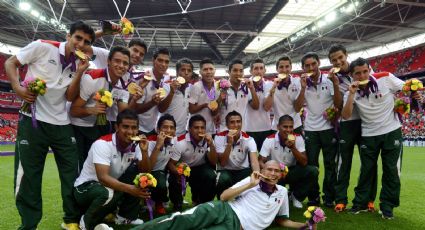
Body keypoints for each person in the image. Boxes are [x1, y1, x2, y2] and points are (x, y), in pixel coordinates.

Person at [5, 21, 95, 230]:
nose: (81, 44)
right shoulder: (43, 46)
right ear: (68, 36)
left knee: (72, 174)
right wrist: (18, 88)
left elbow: (70, 96)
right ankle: (28, 225)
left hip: (62, 124)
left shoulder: (79, 64)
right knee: (29, 176)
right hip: (32, 120)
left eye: (86, 42)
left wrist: (80, 72)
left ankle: (71, 220)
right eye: (78, 38)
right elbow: (10, 62)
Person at [342, 58, 422, 219]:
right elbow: (346, 115)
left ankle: (387, 206)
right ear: (352, 76)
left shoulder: (385, 77)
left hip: (391, 130)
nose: (362, 75)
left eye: (365, 71)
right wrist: (351, 94)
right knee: (366, 171)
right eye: (358, 73)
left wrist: (415, 93)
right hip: (368, 134)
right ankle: (361, 203)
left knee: (391, 170)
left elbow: (406, 87)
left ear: (369, 69)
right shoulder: (350, 91)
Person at [131, 160, 314, 230]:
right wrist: (250, 184)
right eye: (270, 170)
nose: (273, 174)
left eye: (277, 171)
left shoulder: (281, 193)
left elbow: (282, 220)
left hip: (235, 227)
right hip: (224, 210)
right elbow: (224, 196)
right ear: (263, 170)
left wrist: (304, 225)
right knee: (181, 220)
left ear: (281, 174)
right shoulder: (252, 180)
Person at [73, 109, 151, 230]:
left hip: (109, 188)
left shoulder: (136, 145)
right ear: (116, 127)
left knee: (141, 178)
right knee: (107, 192)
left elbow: (145, 171)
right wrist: (130, 189)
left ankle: (124, 216)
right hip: (85, 189)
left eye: (134, 127)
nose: (130, 132)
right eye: (125, 127)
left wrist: (145, 152)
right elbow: (103, 178)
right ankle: (85, 223)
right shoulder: (103, 144)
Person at [70, 46, 142, 171]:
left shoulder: (123, 85)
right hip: (78, 127)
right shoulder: (92, 78)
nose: (121, 65)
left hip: (98, 128)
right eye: (117, 61)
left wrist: (135, 99)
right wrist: (91, 110)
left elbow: (123, 113)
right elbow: (73, 110)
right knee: (78, 169)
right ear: (108, 61)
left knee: (95, 167)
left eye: (125, 63)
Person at [328, 44, 377, 213]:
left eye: (340, 58)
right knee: (343, 163)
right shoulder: (332, 78)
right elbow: (337, 105)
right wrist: (335, 84)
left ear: (346, 55)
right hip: (347, 124)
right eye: (334, 60)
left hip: (366, 122)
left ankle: (368, 199)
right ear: (331, 62)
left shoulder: (361, 70)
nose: (338, 62)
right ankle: (340, 199)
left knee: (369, 163)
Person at [296, 52, 342, 207]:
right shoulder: (301, 82)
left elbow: (338, 104)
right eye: (307, 65)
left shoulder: (329, 80)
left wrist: (335, 84)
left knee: (330, 165)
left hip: (328, 128)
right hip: (310, 129)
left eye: (313, 64)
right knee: (312, 166)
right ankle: (313, 197)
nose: (311, 68)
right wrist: (303, 88)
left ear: (319, 64)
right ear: (303, 68)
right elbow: (297, 107)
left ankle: (329, 197)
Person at [259, 115, 318, 209]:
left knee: (313, 171)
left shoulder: (298, 138)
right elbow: (261, 161)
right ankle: (274, 196)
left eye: (291, 127)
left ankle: (296, 197)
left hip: (291, 171)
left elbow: (304, 162)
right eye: (285, 127)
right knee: (278, 203)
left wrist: (293, 148)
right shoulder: (270, 139)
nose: (288, 130)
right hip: (275, 173)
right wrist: (271, 172)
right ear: (278, 127)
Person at [167, 115, 218, 210]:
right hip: (182, 168)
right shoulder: (179, 142)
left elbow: (214, 162)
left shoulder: (208, 140)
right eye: (196, 128)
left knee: (211, 175)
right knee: (173, 178)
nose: (200, 131)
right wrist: (177, 172)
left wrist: (211, 145)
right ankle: (177, 203)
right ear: (189, 129)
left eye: (202, 128)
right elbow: (171, 163)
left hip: (199, 167)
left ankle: (203, 203)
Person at [214, 110, 260, 198]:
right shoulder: (219, 137)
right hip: (225, 170)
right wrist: (229, 144)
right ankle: (222, 202)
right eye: (232, 122)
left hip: (242, 171)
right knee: (223, 179)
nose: (236, 125)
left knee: (251, 175)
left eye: (238, 122)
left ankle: (243, 202)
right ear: (227, 125)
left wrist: (256, 173)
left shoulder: (249, 139)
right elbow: (223, 163)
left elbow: (254, 161)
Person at [135, 48, 171, 135]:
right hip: (136, 128)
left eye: (166, 62)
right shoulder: (143, 79)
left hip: (152, 129)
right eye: (160, 60)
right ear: (153, 60)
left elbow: (161, 110)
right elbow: (134, 109)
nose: (163, 64)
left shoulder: (166, 84)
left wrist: (172, 92)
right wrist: (152, 103)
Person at [215, 59, 258, 132]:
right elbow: (214, 111)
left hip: (241, 131)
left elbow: (255, 106)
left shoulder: (246, 87)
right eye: (235, 70)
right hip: (224, 130)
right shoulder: (219, 86)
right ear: (229, 72)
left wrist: (252, 89)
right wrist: (220, 99)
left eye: (241, 71)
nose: (238, 73)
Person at [264, 56, 303, 134]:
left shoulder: (297, 82)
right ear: (277, 69)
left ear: (291, 67)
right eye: (281, 67)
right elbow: (266, 107)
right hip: (277, 126)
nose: (284, 70)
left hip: (295, 125)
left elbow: (298, 108)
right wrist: (274, 87)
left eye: (287, 66)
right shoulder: (270, 84)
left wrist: (303, 88)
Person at [146, 114, 177, 215]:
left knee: (177, 176)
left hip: (163, 171)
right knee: (160, 179)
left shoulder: (174, 142)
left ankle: (176, 202)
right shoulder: (149, 142)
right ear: (158, 129)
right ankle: (158, 202)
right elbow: (148, 168)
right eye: (165, 127)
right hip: (148, 172)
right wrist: (158, 146)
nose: (168, 130)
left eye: (171, 128)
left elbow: (169, 161)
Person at [159, 58, 194, 136]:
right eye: (183, 70)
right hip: (166, 132)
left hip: (182, 133)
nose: (186, 73)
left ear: (191, 73)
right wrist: (172, 92)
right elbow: (161, 109)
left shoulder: (191, 89)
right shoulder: (167, 87)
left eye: (189, 70)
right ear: (177, 72)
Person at [244, 59, 274, 150]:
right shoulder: (245, 85)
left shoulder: (270, 85)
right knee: (250, 160)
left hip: (266, 128)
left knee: (266, 159)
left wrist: (272, 92)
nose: (259, 71)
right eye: (256, 68)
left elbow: (267, 107)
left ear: (265, 70)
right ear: (251, 71)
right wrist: (252, 88)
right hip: (249, 129)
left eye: (261, 68)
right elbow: (255, 106)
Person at [188, 58, 219, 134]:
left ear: (214, 70)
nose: (208, 72)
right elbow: (191, 110)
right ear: (200, 72)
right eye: (205, 69)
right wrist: (205, 105)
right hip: (196, 129)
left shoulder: (218, 86)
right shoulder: (196, 86)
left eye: (211, 69)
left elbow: (215, 111)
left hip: (211, 128)